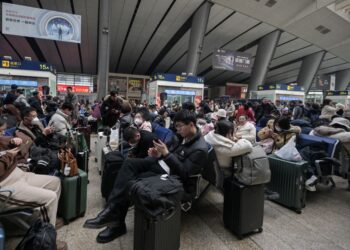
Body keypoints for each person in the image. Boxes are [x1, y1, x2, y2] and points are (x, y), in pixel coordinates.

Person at [83, 109, 208, 243]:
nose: (177, 130)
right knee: (129, 164)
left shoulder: (199, 148)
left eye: (180, 126)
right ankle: (112, 212)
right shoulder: (181, 137)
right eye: (176, 126)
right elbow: (168, 152)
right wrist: (158, 153)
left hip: (173, 178)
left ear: (191, 124)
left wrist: (166, 154)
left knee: (130, 181)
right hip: (161, 164)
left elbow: (185, 174)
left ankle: (115, 222)